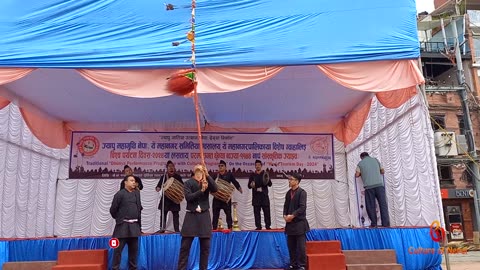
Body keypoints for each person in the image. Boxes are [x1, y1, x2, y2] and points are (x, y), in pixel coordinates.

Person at [177, 164, 218, 270]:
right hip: (191, 215)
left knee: (205, 248)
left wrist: (208, 175)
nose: (200, 171)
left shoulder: (206, 181)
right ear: (194, 171)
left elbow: (215, 189)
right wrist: (201, 191)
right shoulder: (188, 183)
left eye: (202, 170)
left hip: (204, 216)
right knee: (185, 247)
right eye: (198, 170)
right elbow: (189, 198)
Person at [110, 175, 142, 270]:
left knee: (134, 252)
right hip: (122, 227)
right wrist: (120, 219)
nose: (133, 182)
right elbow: (113, 210)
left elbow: (139, 209)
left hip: (134, 227)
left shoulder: (137, 193)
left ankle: (133, 268)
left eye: (134, 181)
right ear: (125, 182)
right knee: (118, 251)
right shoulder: (119, 194)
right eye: (131, 180)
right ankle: (115, 268)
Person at [355, 152, 390, 227]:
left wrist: (362, 173)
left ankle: (374, 223)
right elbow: (383, 171)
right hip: (379, 186)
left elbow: (357, 175)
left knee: (371, 206)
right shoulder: (376, 160)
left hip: (369, 187)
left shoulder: (360, 163)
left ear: (361, 157)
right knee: (383, 205)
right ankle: (386, 224)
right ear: (368, 155)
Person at [283, 173, 309, 270]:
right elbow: (285, 206)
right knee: (291, 246)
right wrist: (285, 216)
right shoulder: (288, 193)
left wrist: (293, 215)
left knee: (301, 247)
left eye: (291, 179)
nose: (289, 181)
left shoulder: (302, 192)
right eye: (289, 179)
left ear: (297, 181)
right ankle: (293, 264)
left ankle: (302, 265)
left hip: (299, 224)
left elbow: (302, 207)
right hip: (290, 224)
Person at [212, 160, 243, 229]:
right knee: (215, 215)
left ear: (225, 167)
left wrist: (239, 188)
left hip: (225, 199)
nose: (220, 167)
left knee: (228, 214)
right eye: (219, 166)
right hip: (217, 199)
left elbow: (234, 182)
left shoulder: (229, 175)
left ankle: (230, 228)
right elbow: (211, 183)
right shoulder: (216, 175)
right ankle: (214, 229)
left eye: (222, 166)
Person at [156, 160, 183, 232]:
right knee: (163, 215)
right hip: (166, 200)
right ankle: (162, 229)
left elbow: (182, 187)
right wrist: (158, 188)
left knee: (176, 215)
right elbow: (158, 186)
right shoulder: (164, 177)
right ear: (167, 168)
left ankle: (177, 230)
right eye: (169, 166)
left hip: (175, 199)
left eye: (172, 166)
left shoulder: (178, 177)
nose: (171, 168)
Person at [248, 159, 272, 230]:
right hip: (256, 196)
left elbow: (270, 184)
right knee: (256, 212)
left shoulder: (265, 173)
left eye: (259, 165)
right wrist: (251, 184)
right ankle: (258, 226)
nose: (257, 166)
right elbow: (249, 186)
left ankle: (268, 226)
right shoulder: (252, 175)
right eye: (256, 165)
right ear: (255, 166)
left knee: (267, 212)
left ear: (261, 166)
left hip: (264, 196)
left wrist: (267, 180)